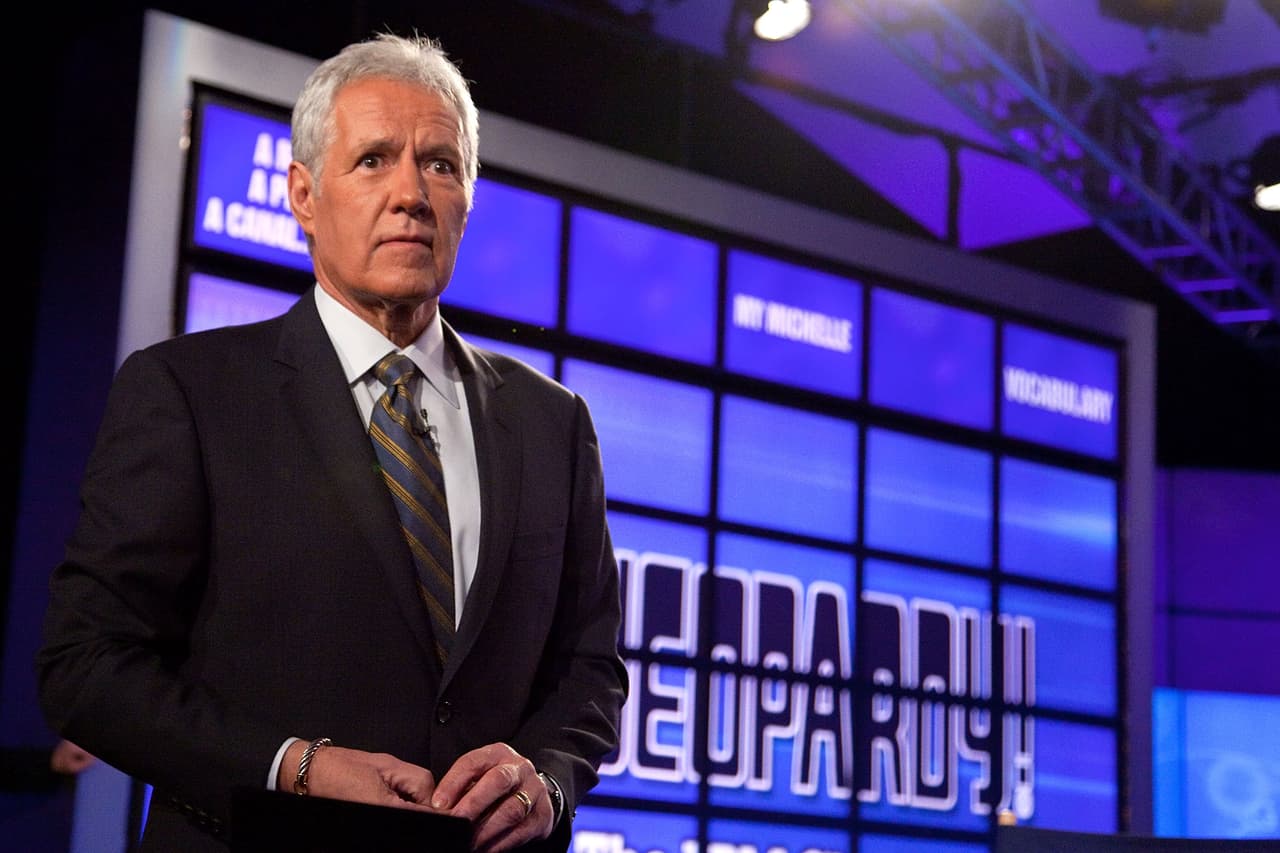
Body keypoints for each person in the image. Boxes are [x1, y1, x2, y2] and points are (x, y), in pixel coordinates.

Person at [36, 32, 627, 853]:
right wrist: (294, 766)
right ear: (304, 196)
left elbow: (589, 671)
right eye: (375, 160)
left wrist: (547, 777)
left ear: (467, 200)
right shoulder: (189, 391)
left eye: (441, 164)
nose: (412, 193)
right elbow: (87, 663)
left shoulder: (553, 422)